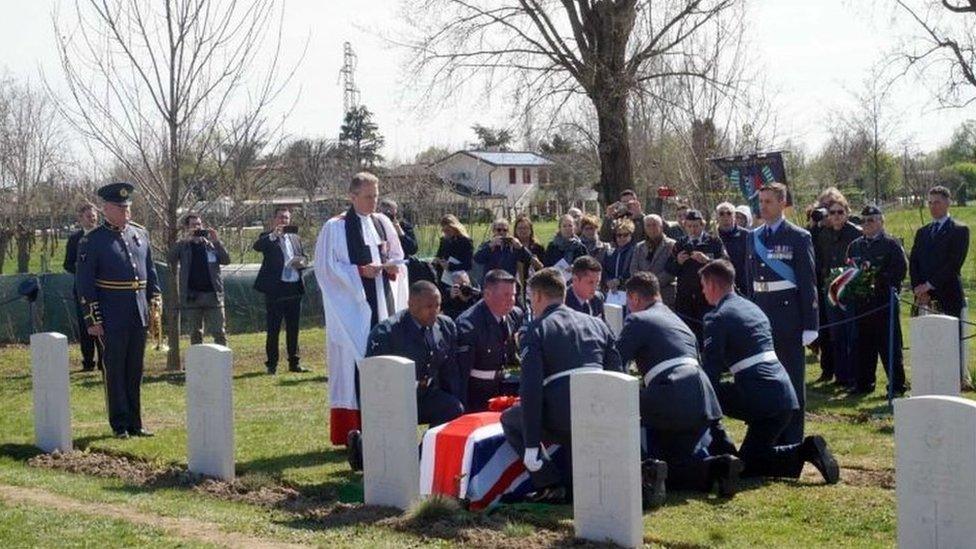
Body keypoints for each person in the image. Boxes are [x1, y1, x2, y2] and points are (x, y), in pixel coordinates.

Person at [700, 259, 839, 484]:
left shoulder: (717, 317)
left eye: (704, 286)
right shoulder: (753, 308)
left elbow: (711, 370)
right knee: (749, 463)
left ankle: (717, 447)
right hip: (783, 395)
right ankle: (806, 450)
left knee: (705, 391)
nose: (703, 291)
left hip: (759, 396)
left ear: (713, 286)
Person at [616, 272, 742, 502]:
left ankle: (648, 468)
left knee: (661, 459)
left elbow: (616, 362)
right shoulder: (678, 320)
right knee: (681, 457)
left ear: (634, 298)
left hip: (668, 392)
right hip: (701, 393)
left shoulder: (637, 319)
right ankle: (718, 466)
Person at [500, 268, 623, 503]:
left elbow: (531, 389)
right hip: (602, 408)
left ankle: (548, 482)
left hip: (565, 413)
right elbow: (618, 375)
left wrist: (532, 446)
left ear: (536, 297)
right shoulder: (596, 324)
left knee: (511, 418)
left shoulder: (536, 329)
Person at [314, 172, 410, 447]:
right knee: (356, 360)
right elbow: (326, 269)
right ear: (352, 196)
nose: (373, 202)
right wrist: (358, 272)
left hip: (384, 302)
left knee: (387, 354)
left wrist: (392, 267)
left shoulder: (382, 222)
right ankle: (357, 432)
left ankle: (387, 424)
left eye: (376, 196)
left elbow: (397, 255)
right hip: (354, 310)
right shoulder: (336, 227)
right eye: (368, 197)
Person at [347, 281, 466, 470]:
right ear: (411, 304)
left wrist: (458, 400)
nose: (434, 311)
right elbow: (373, 380)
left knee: (453, 408)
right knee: (389, 454)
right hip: (394, 400)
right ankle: (361, 446)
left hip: (424, 395)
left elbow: (449, 370)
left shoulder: (445, 327)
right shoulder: (387, 332)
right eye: (428, 306)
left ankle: (422, 458)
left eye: (438, 305)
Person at [75, 182, 160, 438]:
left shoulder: (140, 234)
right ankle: (120, 424)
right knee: (114, 369)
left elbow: (151, 271)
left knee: (135, 369)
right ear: (106, 209)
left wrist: (155, 302)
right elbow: (85, 284)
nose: (126, 211)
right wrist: (93, 318)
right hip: (111, 314)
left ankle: (135, 422)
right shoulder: (93, 240)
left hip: (138, 312)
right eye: (120, 207)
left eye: (127, 207)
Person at [749, 182, 818, 445]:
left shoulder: (798, 237)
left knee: (791, 380)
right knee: (766, 380)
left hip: (789, 318)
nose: (762, 206)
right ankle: (769, 437)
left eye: (768, 201)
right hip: (762, 315)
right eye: (761, 201)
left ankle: (792, 439)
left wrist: (810, 324)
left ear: (782, 203)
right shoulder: (753, 236)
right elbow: (750, 280)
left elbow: (807, 282)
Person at [847, 205, 908, 396]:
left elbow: (899, 271)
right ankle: (863, 384)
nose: (866, 224)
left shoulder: (892, 244)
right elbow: (849, 272)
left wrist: (876, 281)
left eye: (871, 220)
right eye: (863, 221)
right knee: (863, 345)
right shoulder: (855, 245)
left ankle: (897, 386)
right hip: (862, 305)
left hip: (884, 303)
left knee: (890, 346)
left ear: (881, 222)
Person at [456, 269, 524, 412]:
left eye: (513, 295)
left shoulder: (514, 315)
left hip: (505, 384)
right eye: (506, 295)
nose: (511, 300)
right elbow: (462, 375)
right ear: (487, 294)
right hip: (478, 392)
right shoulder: (469, 326)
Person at [253, 207, 310, 375]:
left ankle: (294, 362)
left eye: (286, 218)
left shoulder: (295, 238)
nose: (284, 221)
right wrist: (274, 235)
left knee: (293, 327)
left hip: (294, 286)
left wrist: (302, 262)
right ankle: (272, 364)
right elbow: (258, 247)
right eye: (281, 218)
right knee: (274, 328)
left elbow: (304, 257)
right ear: (274, 219)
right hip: (276, 289)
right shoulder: (267, 237)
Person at [814, 195, 862, 389]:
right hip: (830, 292)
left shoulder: (855, 234)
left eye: (840, 212)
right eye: (832, 212)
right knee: (836, 334)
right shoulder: (823, 234)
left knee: (852, 334)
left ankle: (854, 376)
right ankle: (840, 376)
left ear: (847, 213)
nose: (835, 216)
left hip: (850, 290)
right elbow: (820, 260)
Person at [167, 213, 230, 346]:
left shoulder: (211, 245)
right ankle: (198, 364)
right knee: (195, 334)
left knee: (219, 331)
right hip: (192, 297)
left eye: (199, 224)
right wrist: (184, 240)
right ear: (187, 228)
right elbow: (170, 258)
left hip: (213, 296)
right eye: (193, 225)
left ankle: (222, 363)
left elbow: (226, 260)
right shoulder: (184, 246)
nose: (197, 228)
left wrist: (216, 241)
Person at [666, 209, 727, 344]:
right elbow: (669, 269)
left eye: (696, 226)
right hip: (685, 299)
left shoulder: (713, 241)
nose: (693, 230)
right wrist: (678, 262)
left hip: (707, 297)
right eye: (689, 226)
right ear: (685, 226)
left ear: (702, 225)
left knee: (707, 335)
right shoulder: (680, 244)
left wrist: (708, 261)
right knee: (686, 335)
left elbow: (726, 265)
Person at [909, 185, 970, 318]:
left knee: (949, 338)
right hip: (922, 298)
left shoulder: (959, 230)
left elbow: (954, 263)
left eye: (937, 202)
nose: (932, 206)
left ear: (948, 203)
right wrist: (918, 289)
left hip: (948, 297)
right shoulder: (922, 232)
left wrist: (928, 285)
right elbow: (914, 261)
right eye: (930, 203)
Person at [64, 203, 103, 372]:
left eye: (94, 216)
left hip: (102, 289)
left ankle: (104, 361)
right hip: (82, 290)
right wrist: (83, 272)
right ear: (81, 219)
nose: (92, 219)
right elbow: (67, 264)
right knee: (86, 326)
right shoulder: (75, 239)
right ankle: (88, 362)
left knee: (103, 325)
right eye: (88, 216)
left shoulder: (104, 235)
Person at [630, 214, 677, 308]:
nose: (652, 228)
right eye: (648, 225)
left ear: (661, 226)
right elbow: (633, 269)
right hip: (642, 297)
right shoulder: (639, 247)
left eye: (654, 224)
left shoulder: (671, 245)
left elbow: (671, 272)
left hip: (665, 296)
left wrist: (651, 285)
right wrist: (642, 286)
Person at [379, 198, 430, 284]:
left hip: (401, 268)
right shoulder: (376, 226)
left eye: (391, 214)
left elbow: (413, 249)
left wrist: (399, 231)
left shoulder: (403, 226)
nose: (387, 217)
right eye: (385, 214)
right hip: (382, 268)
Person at [715, 202, 750, 296]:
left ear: (734, 216)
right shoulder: (712, 237)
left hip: (743, 287)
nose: (725, 216)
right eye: (721, 213)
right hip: (720, 286)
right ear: (717, 217)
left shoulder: (746, 235)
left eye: (729, 213)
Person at [513, 214, 546, 306]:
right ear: (515, 230)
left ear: (531, 230)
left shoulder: (538, 248)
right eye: (520, 228)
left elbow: (544, 267)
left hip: (534, 284)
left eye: (526, 228)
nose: (523, 230)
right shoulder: (511, 247)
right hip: (517, 285)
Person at [603, 217, 637, 296]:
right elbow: (604, 270)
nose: (622, 238)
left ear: (631, 235)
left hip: (629, 291)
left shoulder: (636, 252)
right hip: (611, 292)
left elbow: (633, 271)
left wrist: (619, 281)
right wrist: (608, 281)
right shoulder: (609, 252)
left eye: (625, 235)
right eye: (619, 235)